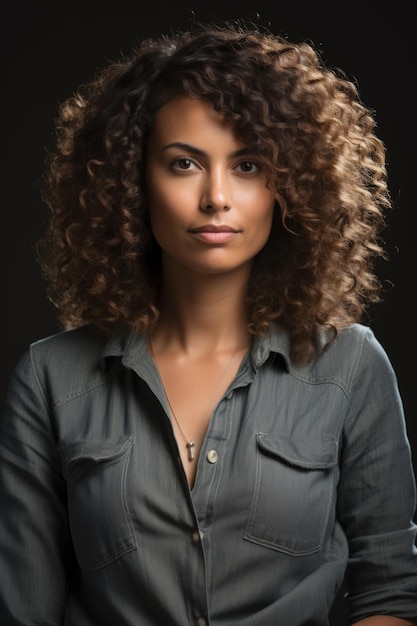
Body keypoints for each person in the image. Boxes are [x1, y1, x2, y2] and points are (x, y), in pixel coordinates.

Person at [0, 18, 416, 626]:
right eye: (184, 164)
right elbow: (25, 609)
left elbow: (390, 592)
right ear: (133, 182)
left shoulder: (350, 366)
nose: (216, 196)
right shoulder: (50, 378)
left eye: (247, 166)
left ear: (288, 185)